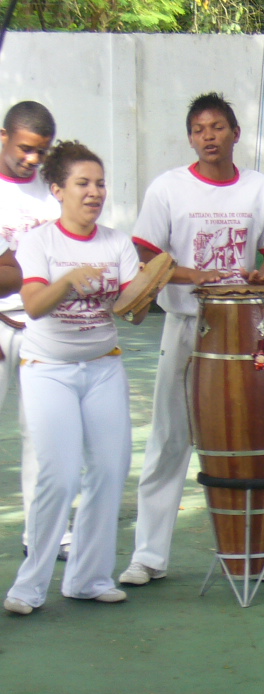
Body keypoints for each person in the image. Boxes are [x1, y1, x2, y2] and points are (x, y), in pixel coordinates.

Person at [120, 92, 264, 586]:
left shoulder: (258, 188)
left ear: (236, 133)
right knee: (171, 440)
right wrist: (201, 275)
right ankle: (148, 557)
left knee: (250, 440)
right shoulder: (168, 189)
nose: (207, 137)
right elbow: (146, 255)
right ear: (190, 137)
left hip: (244, 331)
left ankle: (260, 555)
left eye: (217, 127)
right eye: (198, 129)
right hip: (188, 326)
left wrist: (261, 276)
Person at [5, 141, 141, 615]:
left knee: (108, 471)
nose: (94, 192)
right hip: (49, 371)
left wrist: (150, 286)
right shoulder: (39, 241)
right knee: (59, 477)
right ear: (57, 189)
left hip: (104, 368)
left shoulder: (117, 243)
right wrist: (69, 279)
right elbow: (37, 306)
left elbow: (132, 312)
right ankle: (29, 585)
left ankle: (88, 578)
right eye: (82, 183)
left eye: (100, 183)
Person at [0, 101, 70, 559]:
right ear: (3, 137)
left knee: (45, 434)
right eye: (26, 149)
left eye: (42, 153)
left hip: (45, 327)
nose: (33, 160)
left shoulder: (51, 194)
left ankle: (45, 533)